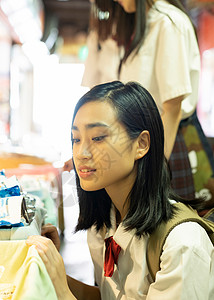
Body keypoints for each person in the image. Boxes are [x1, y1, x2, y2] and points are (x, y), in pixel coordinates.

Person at [26, 81, 214, 300]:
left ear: (141, 144)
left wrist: (62, 290)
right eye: (76, 139)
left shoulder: (182, 244)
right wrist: (53, 269)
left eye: (98, 137)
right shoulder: (103, 225)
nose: (81, 153)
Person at [82, 0, 214, 209]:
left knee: (168, 227)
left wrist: (153, 172)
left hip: (167, 142)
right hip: (129, 144)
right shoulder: (120, 23)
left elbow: (172, 108)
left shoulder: (167, 22)